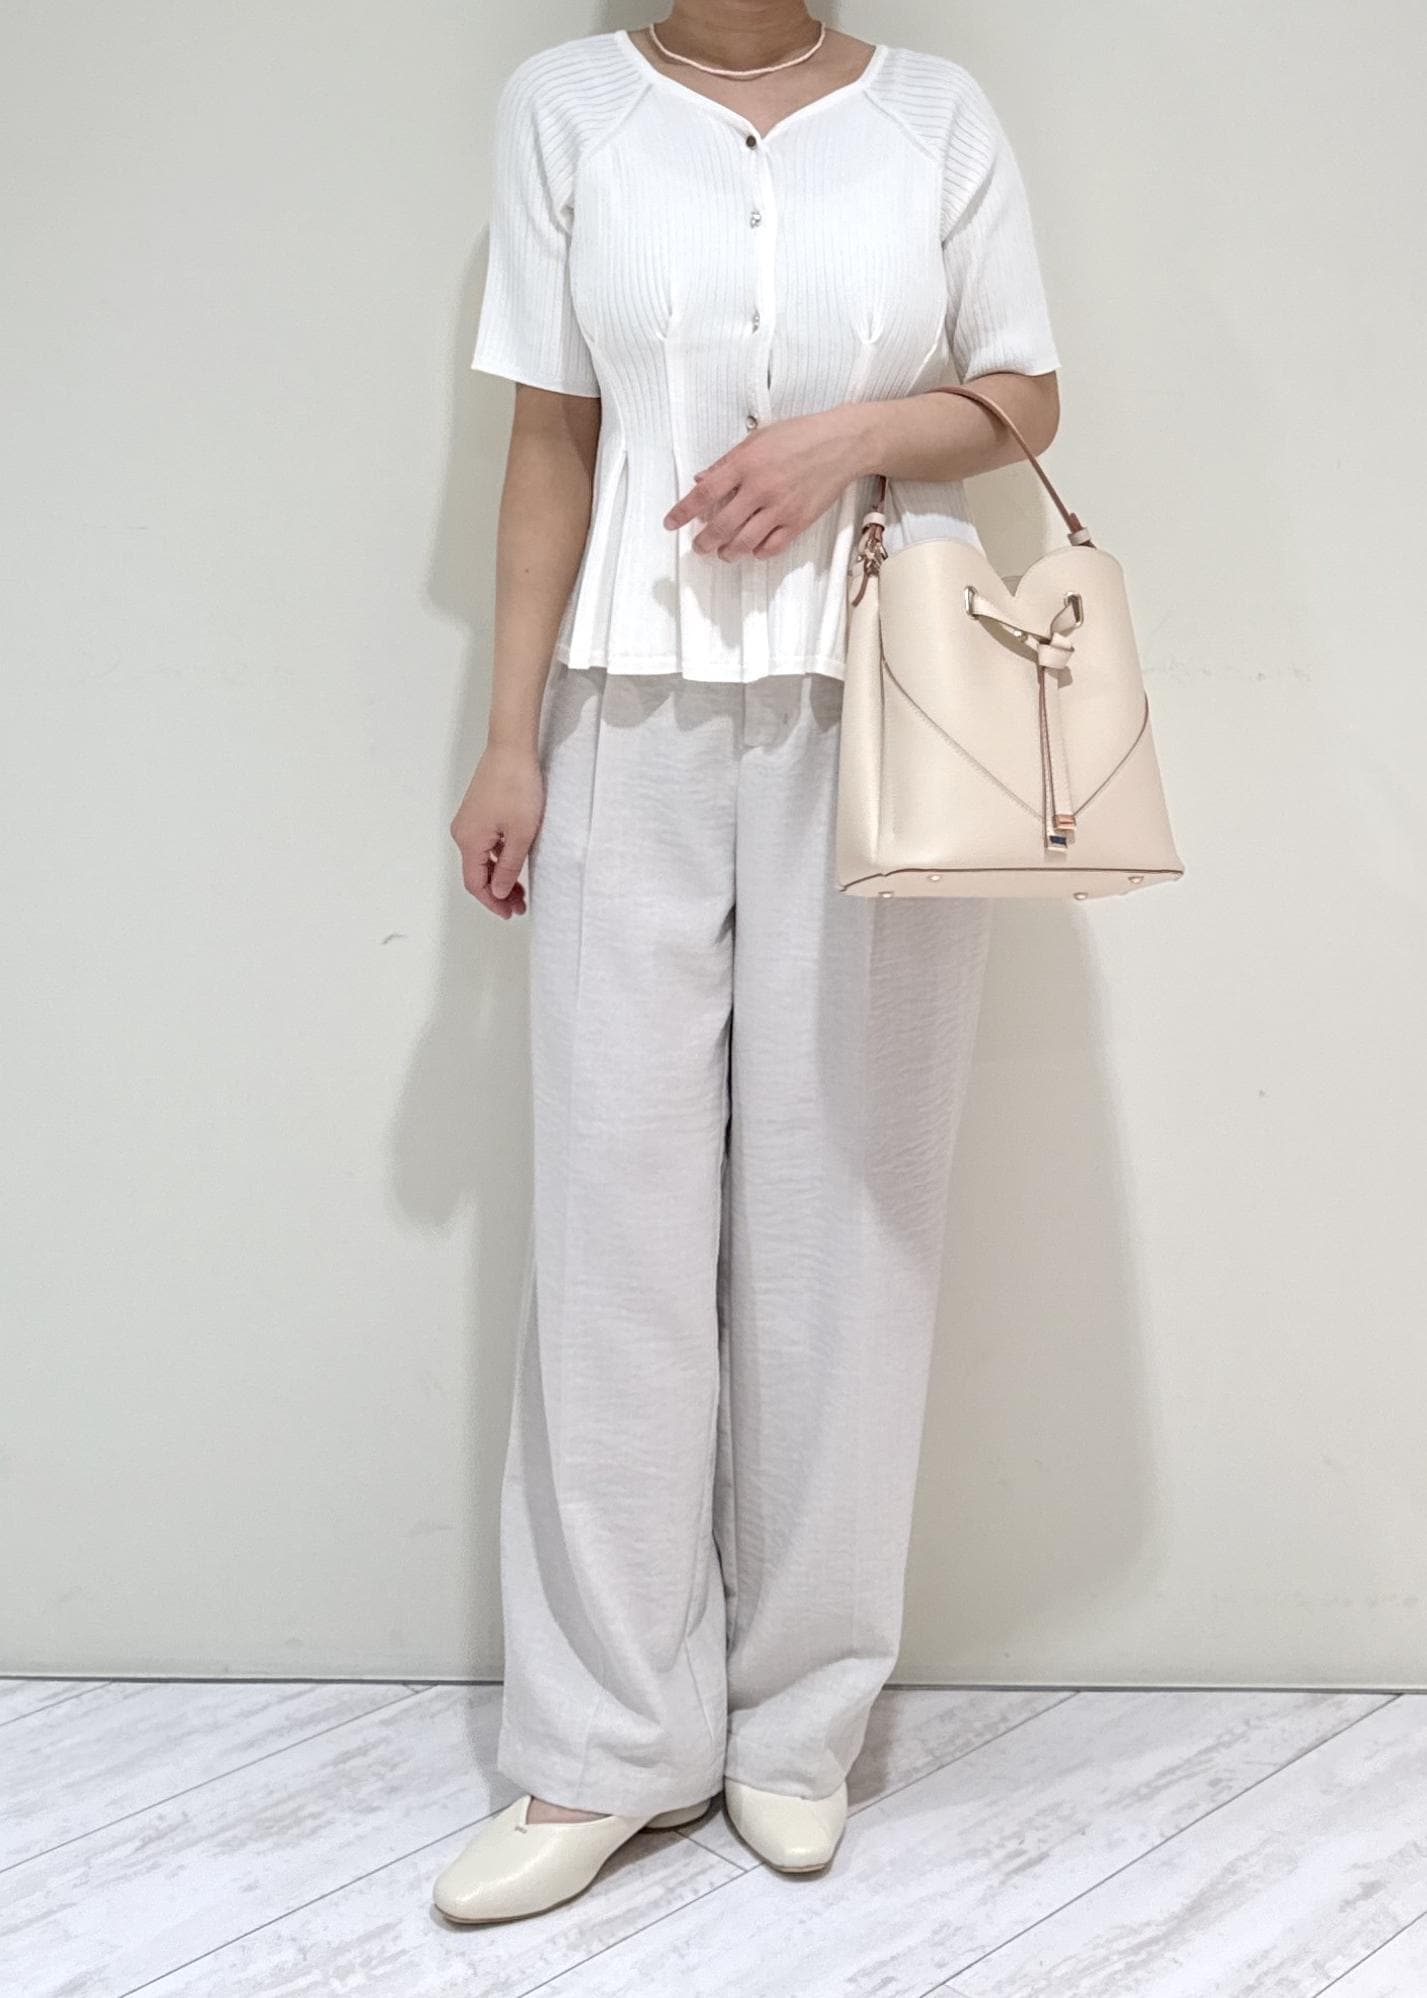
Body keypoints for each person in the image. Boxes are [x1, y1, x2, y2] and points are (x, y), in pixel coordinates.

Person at [435, 4, 1061, 1925]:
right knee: (610, 1225)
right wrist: (512, 738)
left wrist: (850, 438)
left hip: (888, 716)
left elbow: (1025, 394)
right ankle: (605, 1741)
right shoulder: (566, 109)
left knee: (844, 1220)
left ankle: (798, 1726)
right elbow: (551, 435)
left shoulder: (936, 115)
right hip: (625, 709)